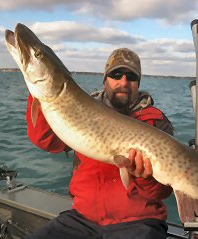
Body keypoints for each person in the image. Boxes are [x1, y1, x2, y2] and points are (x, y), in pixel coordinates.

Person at [25, 48, 174, 239]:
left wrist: (144, 176)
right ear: (105, 79)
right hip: (82, 219)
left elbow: (162, 191)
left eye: (131, 77)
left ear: (138, 84)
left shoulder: (156, 123)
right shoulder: (80, 109)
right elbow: (46, 140)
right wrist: (40, 94)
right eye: (116, 74)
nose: (123, 82)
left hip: (139, 223)